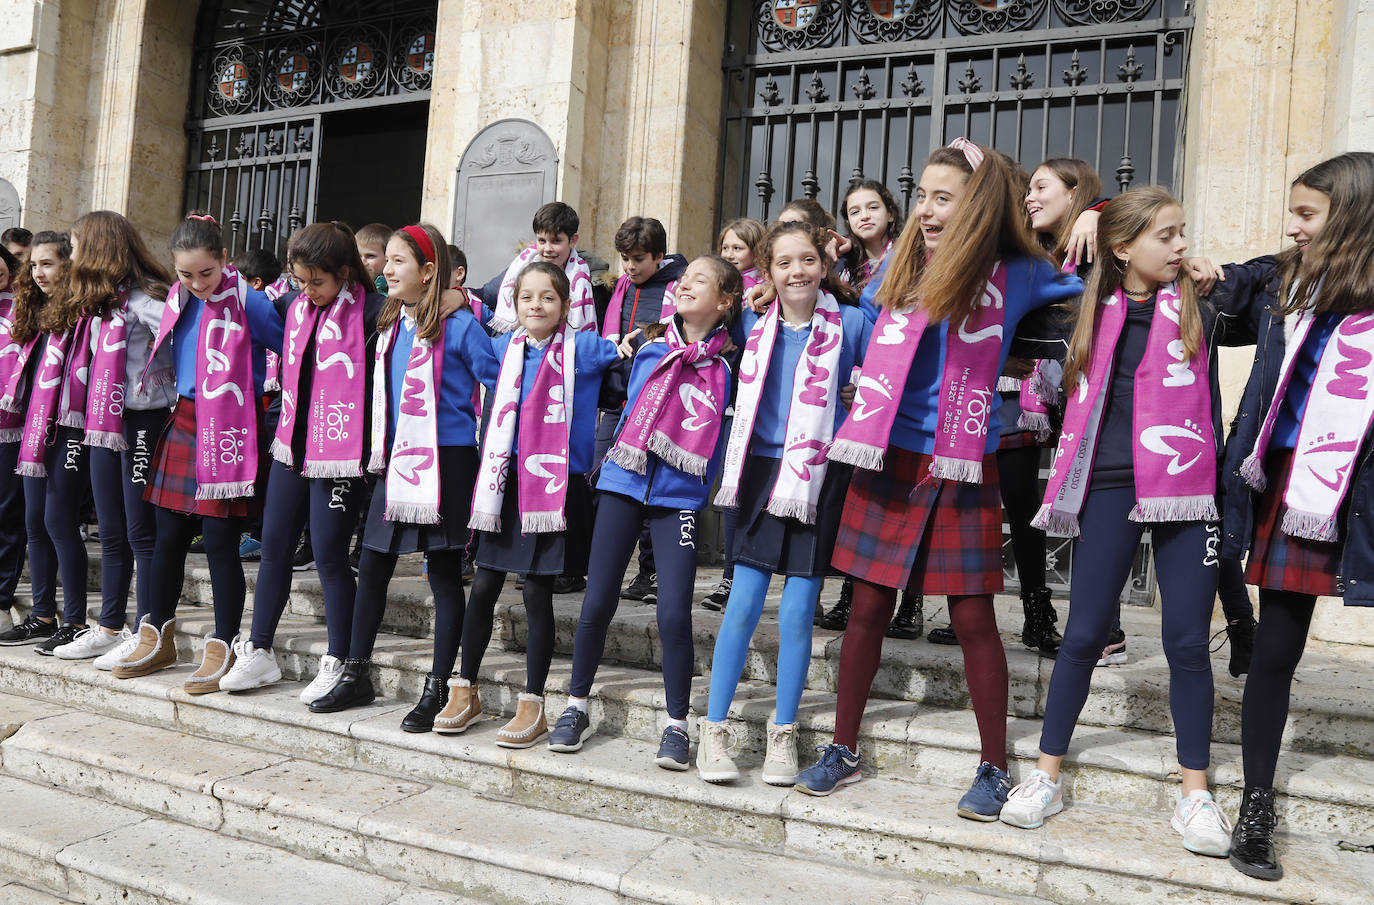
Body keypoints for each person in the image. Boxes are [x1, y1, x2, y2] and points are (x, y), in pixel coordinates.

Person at [792, 142, 1083, 822]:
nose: (924, 208)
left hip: (962, 459)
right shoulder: (902, 259)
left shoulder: (1021, 272)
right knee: (865, 607)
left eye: (941, 197)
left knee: (973, 615)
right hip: (887, 452)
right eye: (921, 194)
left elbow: (1093, 278)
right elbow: (867, 320)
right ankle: (843, 747)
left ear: (977, 204)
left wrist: (1091, 216)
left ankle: (993, 766)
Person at [998, 187, 1256, 859]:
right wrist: (1084, 212)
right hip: (1107, 484)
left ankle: (1194, 793)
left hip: (1187, 487)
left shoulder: (1205, 303)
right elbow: (999, 279)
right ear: (1121, 248)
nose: (1180, 246)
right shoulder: (1076, 308)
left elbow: (1282, 285)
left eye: (1181, 233)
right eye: (1165, 235)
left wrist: (1222, 275)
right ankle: (1047, 775)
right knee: (1083, 632)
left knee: (1188, 643)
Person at [1216, 152, 1374, 881]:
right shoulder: (1287, 279)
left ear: (1350, 216)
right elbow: (1219, 290)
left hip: (1357, 495)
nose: (1292, 226)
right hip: (1286, 489)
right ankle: (1256, 808)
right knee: (1276, 655)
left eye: (1307, 214)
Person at [696, 221, 870, 785]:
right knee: (743, 604)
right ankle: (714, 731)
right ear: (767, 273)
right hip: (758, 471)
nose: (797, 272)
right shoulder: (748, 319)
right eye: (784, 263)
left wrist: (857, 390)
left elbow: (886, 379)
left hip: (818, 472)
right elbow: (693, 318)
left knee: (798, 612)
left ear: (825, 266)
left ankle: (783, 735)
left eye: (807, 261)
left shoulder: (853, 323)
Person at [547, 254, 739, 767]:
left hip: (677, 497)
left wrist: (699, 491)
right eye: (683, 279)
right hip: (623, 482)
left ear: (724, 302)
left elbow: (719, 441)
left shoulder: (725, 369)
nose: (683, 285)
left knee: (674, 611)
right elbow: (620, 410)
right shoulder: (650, 349)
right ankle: (575, 706)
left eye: (699, 280)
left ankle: (677, 724)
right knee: (597, 601)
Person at [308, 225, 497, 733]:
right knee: (371, 566)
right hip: (397, 458)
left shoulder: (460, 327)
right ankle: (356, 670)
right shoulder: (392, 320)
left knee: (441, 573)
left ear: (428, 271)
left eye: (398, 262)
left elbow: (501, 381)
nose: (386, 270)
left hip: (446, 459)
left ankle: (438, 686)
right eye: (386, 260)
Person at [433, 261, 623, 747]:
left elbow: (629, 354)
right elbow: (464, 340)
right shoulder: (501, 347)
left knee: (537, 595)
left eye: (547, 298)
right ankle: (465, 687)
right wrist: (458, 303)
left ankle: (534, 701)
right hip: (505, 483)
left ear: (565, 306)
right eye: (526, 298)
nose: (536, 306)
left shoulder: (584, 349)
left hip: (554, 487)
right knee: (484, 588)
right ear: (513, 305)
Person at [111, 213, 285, 691]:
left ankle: (224, 642)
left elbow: (291, 347)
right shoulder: (177, 297)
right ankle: (156, 631)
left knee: (219, 543)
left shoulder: (250, 302)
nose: (197, 283)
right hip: (185, 418)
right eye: (186, 273)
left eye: (206, 273)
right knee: (168, 537)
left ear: (225, 259)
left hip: (229, 422)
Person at [217, 223, 385, 704]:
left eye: (318, 282)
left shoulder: (374, 312)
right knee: (274, 546)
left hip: (342, 450)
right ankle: (260, 648)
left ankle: (340, 657)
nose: (307, 292)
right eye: (300, 281)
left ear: (346, 273)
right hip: (292, 443)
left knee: (330, 555)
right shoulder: (291, 306)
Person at [41, 213, 175, 666]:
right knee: (112, 532)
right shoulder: (100, 306)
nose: (72, 256)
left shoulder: (146, 301)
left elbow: (184, 351)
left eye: (76, 247)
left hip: (143, 423)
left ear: (98, 250)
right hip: (104, 424)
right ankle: (109, 626)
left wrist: (165, 392)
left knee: (141, 533)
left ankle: (150, 629)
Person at [592, 217, 690, 605]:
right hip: (617, 399)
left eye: (638, 259)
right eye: (625, 259)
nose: (630, 267)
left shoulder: (677, 287)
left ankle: (649, 572)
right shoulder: (617, 288)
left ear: (659, 256)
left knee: (651, 488)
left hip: (656, 403)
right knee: (600, 475)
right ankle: (607, 563)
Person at [11, 231, 93, 656]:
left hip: (70, 427)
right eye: (35, 265)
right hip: (35, 425)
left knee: (59, 520)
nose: (40, 273)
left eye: (49, 264)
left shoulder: (82, 311)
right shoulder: (35, 309)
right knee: (34, 522)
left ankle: (76, 620)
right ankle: (43, 615)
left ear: (68, 265)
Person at [701, 217, 767, 612]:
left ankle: (737, 577)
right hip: (721, 407)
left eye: (738, 248)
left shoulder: (758, 295)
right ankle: (729, 576)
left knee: (743, 493)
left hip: (750, 406)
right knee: (728, 495)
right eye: (725, 247)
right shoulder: (716, 288)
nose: (729, 255)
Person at [0, 236, 60, 646]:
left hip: (19, 426)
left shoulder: (24, 304)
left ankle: (4, 599)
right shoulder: (28, 304)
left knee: (13, 515)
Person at [482, 201, 597, 334]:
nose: (547, 249)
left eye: (556, 241)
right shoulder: (522, 266)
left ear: (573, 240)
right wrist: (461, 294)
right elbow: (486, 294)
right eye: (542, 241)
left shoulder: (591, 281)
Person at [838, 179, 902, 291]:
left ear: (890, 214)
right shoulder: (843, 263)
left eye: (873, 207)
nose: (864, 216)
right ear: (849, 222)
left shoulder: (908, 254)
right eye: (855, 212)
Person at [355, 222, 391, 295]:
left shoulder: (395, 292)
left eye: (370, 256)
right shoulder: (348, 290)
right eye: (358, 255)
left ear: (388, 258)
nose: (362, 261)